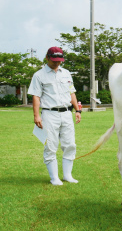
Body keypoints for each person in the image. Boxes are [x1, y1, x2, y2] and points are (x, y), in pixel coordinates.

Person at [28, 47, 82, 185]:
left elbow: (72, 93)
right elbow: (36, 96)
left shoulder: (66, 74)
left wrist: (77, 110)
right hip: (49, 113)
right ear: (47, 57)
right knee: (51, 145)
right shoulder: (39, 75)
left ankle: (67, 175)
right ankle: (54, 177)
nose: (57, 63)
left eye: (59, 61)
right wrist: (36, 116)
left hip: (66, 113)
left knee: (70, 144)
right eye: (54, 61)